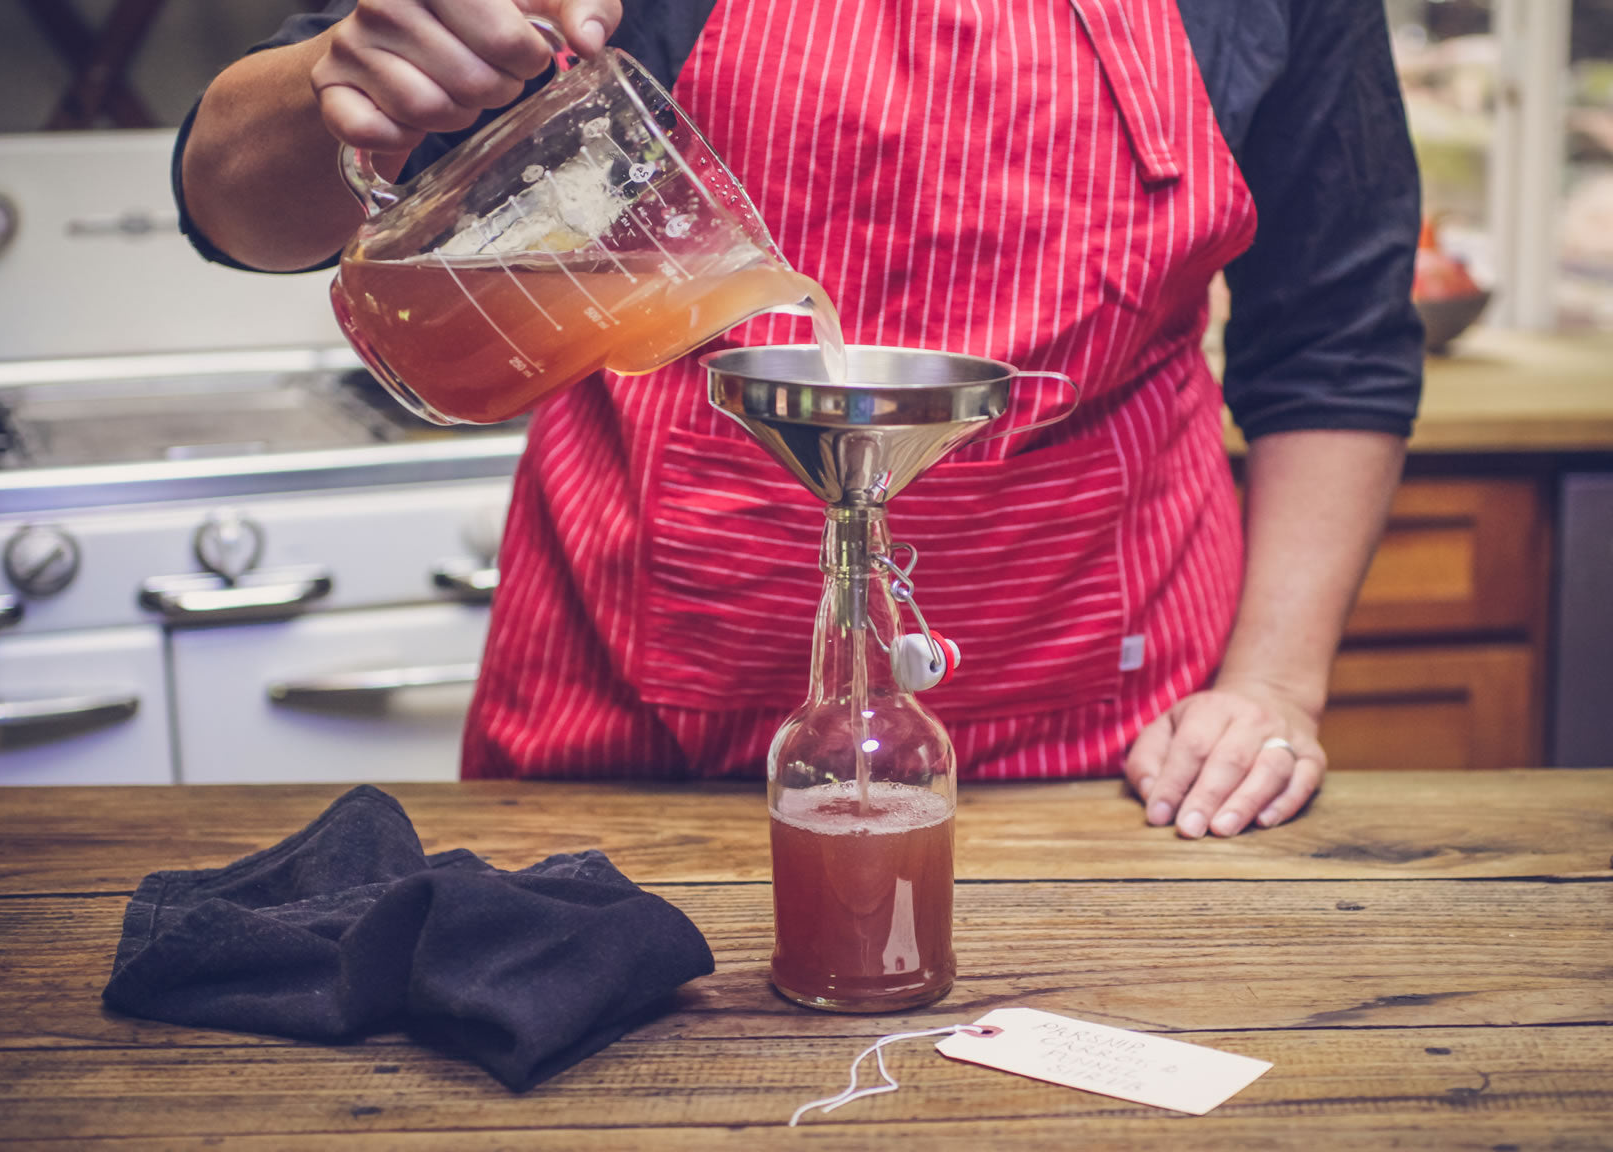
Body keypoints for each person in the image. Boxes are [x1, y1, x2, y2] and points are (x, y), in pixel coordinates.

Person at [177, 0, 1423, 838]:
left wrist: (1271, 687)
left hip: (1116, 777)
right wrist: (343, 73)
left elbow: (1334, 344)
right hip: (621, 773)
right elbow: (235, 208)